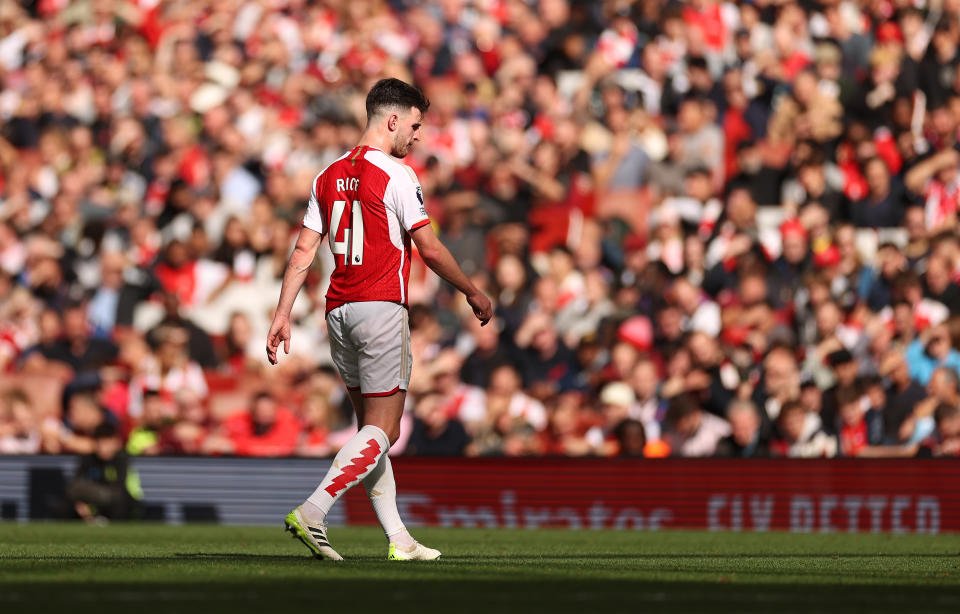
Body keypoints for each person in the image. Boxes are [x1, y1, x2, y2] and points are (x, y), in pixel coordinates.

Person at [265, 79, 492, 561]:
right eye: (415, 124)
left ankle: (399, 539)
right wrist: (472, 290)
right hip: (381, 305)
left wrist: (282, 313)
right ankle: (313, 510)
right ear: (392, 119)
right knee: (384, 431)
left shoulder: (325, 175)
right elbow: (428, 248)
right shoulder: (395, 174)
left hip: (337, 310)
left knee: (370, 431)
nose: (418, 136)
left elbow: (305, 250)